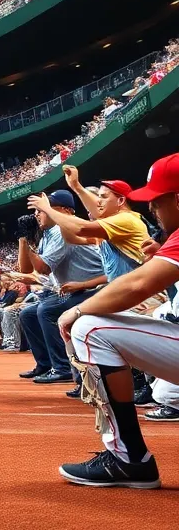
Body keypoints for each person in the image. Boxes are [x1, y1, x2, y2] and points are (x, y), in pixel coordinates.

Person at [56, 153, 179, 488]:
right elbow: (80, 232)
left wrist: (76, 310)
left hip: (143, 303)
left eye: (158, 200)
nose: (152, 208)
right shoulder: (168, 237)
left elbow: (138, 285)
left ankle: (128, 457)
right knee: (167, 395)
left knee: (88, 326)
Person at [17, 191, 103, 385]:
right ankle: (46, 363)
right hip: (74, 290)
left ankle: (62, 367)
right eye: (38, 210)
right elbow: (26, 269)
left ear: (65, 211)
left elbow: (43, 269)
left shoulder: (61, 231)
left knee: (46, 310)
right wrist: (24, 238)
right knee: (27, 314)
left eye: (45, 209)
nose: (38, 214)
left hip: (93, 289)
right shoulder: (49, 233)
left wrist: (30, 244)